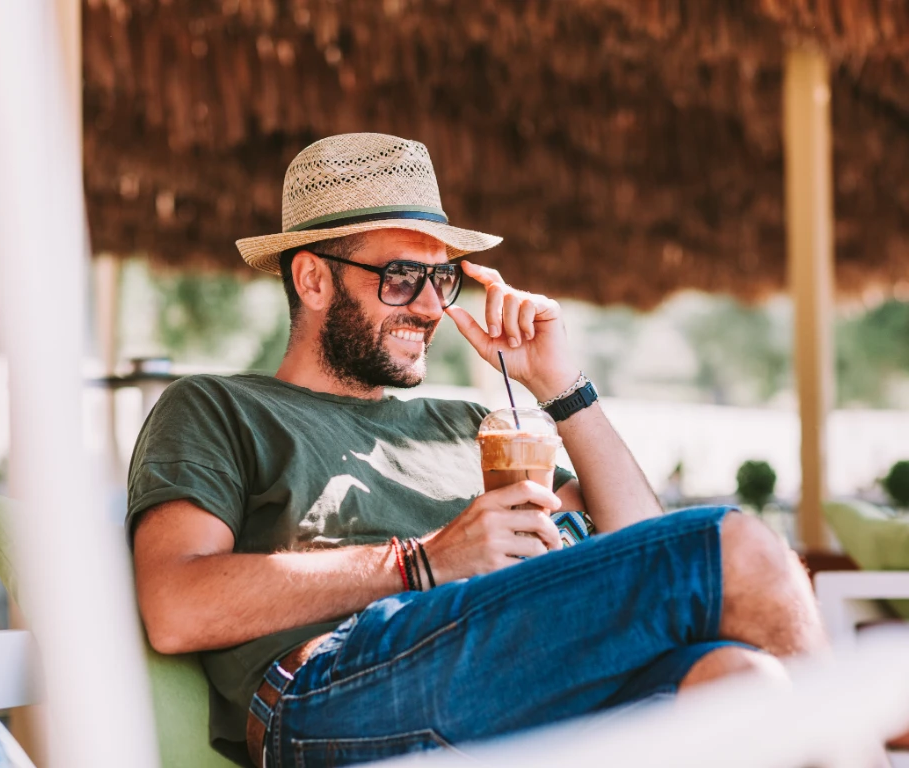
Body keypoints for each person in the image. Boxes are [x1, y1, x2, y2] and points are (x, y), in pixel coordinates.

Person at [127, 133, 827, 768]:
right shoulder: (221, 408)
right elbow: (175, 606)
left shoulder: (473, 424)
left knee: (739, 684)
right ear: (313, 279)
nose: (431, 307)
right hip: (332, 692)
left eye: (443, 278)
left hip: (513, 683)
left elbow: (640, 547)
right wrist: (425, 561)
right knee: (739, 547)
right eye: (402, 276)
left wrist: (561, 387)